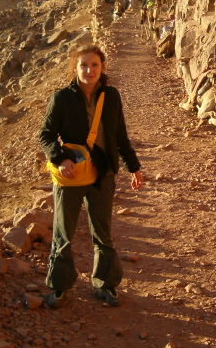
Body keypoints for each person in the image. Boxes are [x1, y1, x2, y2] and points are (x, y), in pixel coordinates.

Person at [39, 45, 144, 308]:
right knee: (64, 234)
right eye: (84, 65)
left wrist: (134, 166)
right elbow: (46, 135)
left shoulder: (111, 96)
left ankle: (105, 285)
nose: (89, 70)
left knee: (103, 233)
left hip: (102, 174)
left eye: (94, 65)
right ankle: (60, 287)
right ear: (75, 68)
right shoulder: (61, 98)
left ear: (102, 67)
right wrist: (60, 159)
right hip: (70, 174)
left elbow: (120, 135)